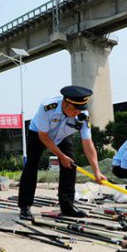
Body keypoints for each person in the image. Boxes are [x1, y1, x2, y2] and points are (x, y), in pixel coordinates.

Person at [18, 85, 107, 219]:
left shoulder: (82, 116)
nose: (76, 113)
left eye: (79, 110)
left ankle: (67, 207)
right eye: (74, 109)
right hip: (39, 134)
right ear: (64, 103)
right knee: (32, 165)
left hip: (62, 136)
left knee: (70, 166)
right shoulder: (47, 107)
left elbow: (88, 143)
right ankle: (25, 206)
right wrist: (60, 155)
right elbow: (44, 136)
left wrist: (97, 171)